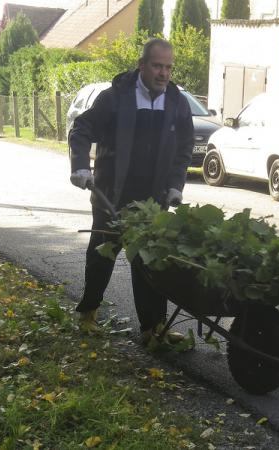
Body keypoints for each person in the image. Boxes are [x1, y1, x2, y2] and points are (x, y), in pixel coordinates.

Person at [69, 38, 194, 340]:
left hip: (153, 202)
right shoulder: (115, 98)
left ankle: (153, 328)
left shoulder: (176, 103)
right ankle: (88, 313)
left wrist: (175, 185)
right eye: (156, 66)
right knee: (102, 256)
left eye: (167, 67)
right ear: (142, 65)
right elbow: (81, 129)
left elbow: (184, 148)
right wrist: (81, 168)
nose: (163, 73)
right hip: (112, 194)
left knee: (151, 265)